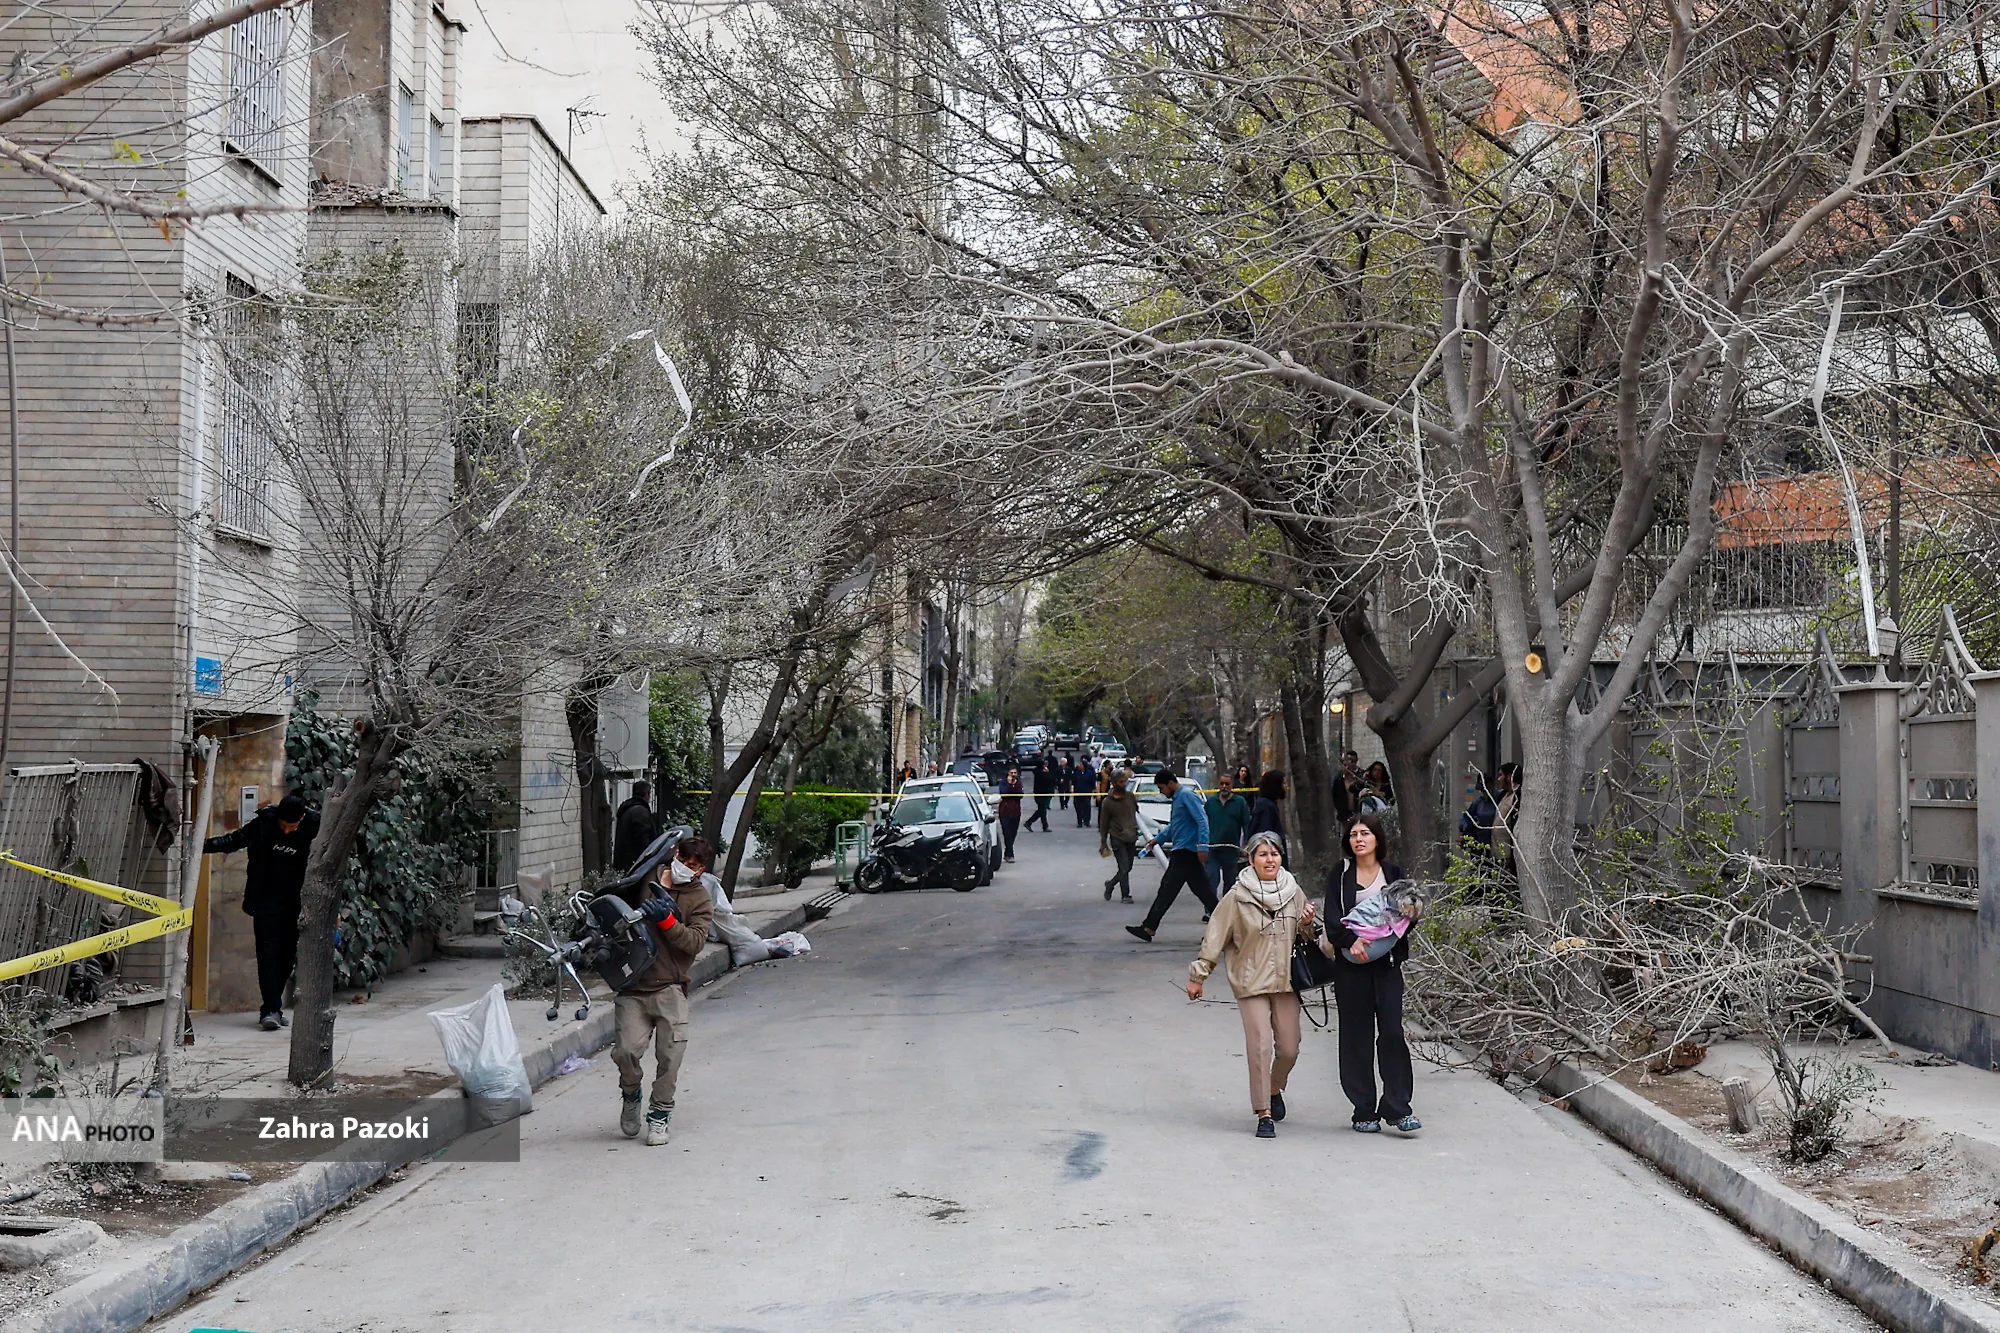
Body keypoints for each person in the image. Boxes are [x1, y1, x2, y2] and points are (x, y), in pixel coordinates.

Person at [1186, 831, 1318, 1137]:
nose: (1270, 860)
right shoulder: (1236, 897)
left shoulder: (1293, 890)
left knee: (1289, 1048)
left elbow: (1308, 937)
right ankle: (1264, 1113)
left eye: (1274, 854)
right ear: (1251, 859)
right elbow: (1215, 937)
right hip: (1250, 981)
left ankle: (1274, 1087)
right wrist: (1198, 976)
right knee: (1259, 1046)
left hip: (1286, 981)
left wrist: (1307, 922)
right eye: (1263, 854)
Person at [611, 835, 717, 1145]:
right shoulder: (646, 878)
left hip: (670, 987)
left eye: (693, 865)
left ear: (701, 870)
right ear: (674, 855)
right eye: (683, 860)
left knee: (670, 1058)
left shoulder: (700, 899)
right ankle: (631, 1093)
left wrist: (668, 921)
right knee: (626, 1052)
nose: (686, 867)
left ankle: (659, 1115)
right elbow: (616, 907)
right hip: (633, 985)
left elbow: (695, 942)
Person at [1322, 813, 1419, 1135]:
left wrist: (1398, 925)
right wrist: (1352, 941)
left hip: (1387, 966)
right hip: (1351, 968)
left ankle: (1398, 1108)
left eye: (1365, 833)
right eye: (1353, 834)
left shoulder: (1393, 873)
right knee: (1356, 1038)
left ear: (1377, 838)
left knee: (1391, 1033)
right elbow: (1332, 919)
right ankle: (1363, 1109)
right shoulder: (1340, 874)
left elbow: (1409, 913)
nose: (1359, 839)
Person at [203, 792, 319, 1032]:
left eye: (292, 826)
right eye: (283, 825)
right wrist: (201, 847)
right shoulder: (265, 822)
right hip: (265, 899)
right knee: (267, 954)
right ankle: (271, 1009)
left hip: (297, 903)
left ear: (302, 818)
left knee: (287, 956)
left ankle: (273, 1005)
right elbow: (234, 840)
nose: (286, 830)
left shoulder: (315, 826)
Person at [1125, 768, 1214, 942]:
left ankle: (1149, 927)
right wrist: (1157, 840)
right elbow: (1175, 826)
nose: (1161, 792)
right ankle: (1228, 926)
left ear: (1170, 783)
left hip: (1186, 852)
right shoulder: (1178, 799)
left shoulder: (1187, 796)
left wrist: (1203, 846)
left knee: (1168, 890)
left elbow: (1202, 820)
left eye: (1161, 788)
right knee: (1203, 893)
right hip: (1183, 851)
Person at [1203, 771, 1250, 902]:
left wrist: (1246, 844)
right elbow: (1203, 823)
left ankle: (1226, 907)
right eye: (1222, 784)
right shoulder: (1211, 802)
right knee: (1211, 879)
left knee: (1229, 882)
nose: (1224, 786)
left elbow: (1247, 824)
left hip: (1231, 848)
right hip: (1212, 848)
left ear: (1232, 785)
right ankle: (1210, 908)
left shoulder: (1239, 802)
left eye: (1227, 784)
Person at [1098, 767, 1140, 902]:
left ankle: (1110, 884)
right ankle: (1125, 895)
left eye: (1125, 781)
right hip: (1117, 837)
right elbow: (1104, 823)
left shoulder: (1130, 797)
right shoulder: (1108, 802)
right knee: (1123, 867)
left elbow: (1137, 813)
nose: (1124, 784)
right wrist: (1103, 841)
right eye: (1121, 782)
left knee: (1128, 867)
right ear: (1114, 783)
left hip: (1131, 836)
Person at [611, 781, 661, 872]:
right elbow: (643, 840)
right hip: (635, 865)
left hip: (624, 862)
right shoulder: (640, 812)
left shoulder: (628, 810)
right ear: (646, 794)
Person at [1247, 770, 1288, 862]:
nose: (1285, 786)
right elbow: (1265, 836)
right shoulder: (1266, 807)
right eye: (1283, 783)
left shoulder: (1268, 804)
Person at [996, 767, 1024, 862]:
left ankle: (1007, 852)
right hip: (1005, 811)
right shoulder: (1003, 782)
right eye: (1011, 772)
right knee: (1007, 832)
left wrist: (1013, 786)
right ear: (1008, 773)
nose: (1013, 774)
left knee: (1013, 833)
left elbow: (1020, 794)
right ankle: (1010, 854)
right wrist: (1009, 784)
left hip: (1016, 811)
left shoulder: (1018, 782)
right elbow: (1003, 793)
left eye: (1015, 773)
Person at [1332, 750, 1363, 823]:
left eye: (1349, 765)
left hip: (1358, 815)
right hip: (1344, 816)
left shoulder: (1360, 779)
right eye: (1344, 765)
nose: (1346, 768)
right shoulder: (1338, 780)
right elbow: (1335, 797)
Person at [1026, 755, 1054, 832]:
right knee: (1042, 810)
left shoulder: (1039, 771)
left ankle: (1044, 826)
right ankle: (1030, 822)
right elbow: (1048, 779)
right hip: (1040, 793)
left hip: (1041, 792)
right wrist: (1048, 773)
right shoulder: (1040, 772)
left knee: (1042, 810)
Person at [1073, 757, 1094, 827]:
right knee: (1078, 807)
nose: (1079, 765)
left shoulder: (1089, 773)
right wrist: (1072, 788)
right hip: (1077, 793)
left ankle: (1087, 821)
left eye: (1081, 764)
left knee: (1087, 807)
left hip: (1086, 793)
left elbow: (1092, 783)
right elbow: (1074, 781)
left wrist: (1093, 790)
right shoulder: (1077, 773)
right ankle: (1079, 821)